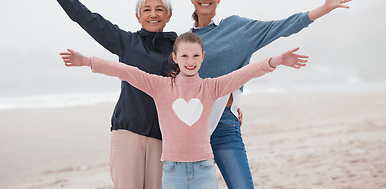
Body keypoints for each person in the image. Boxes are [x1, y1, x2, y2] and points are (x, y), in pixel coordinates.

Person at [59, 32, 309, 189]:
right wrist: (88, 62)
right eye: (185, 56)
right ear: (175, 58)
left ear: (202, 57)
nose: (190, 62)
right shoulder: (160, 87)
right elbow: (127, 72)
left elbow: (244, 73)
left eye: (195, 56)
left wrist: (275, 61)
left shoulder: (212, 87)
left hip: (203, 169)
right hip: (171, 171)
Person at [188, 0, 355, 188]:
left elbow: (282, 26)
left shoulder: (239, 29)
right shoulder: (185, 41)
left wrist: (324, 8)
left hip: (224, 127)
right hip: (191, 126)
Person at [29, 0, 177, 189]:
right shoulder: (126, 42)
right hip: (128, 134)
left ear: (168, 16)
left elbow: (202, 82)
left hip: (163, 138)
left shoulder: (179, 50)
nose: (153, 14)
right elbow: (88, 19)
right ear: (138, 16)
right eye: (146, 9)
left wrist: (231, 103)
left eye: (159, 9)